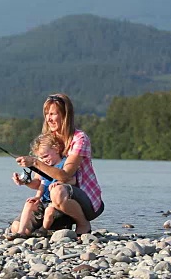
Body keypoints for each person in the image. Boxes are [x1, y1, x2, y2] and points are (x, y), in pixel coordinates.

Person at [15, 93, 104, 235]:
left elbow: (65, 175)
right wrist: (25, 181)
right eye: (46, 114)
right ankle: (53, 227)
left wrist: (35, 162)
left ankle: (83, 224)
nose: (48, 119)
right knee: (17, 228)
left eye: (53, 114)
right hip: (52, 202)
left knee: (57, 191)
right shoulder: (48, 140)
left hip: (86, 200)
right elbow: (40, 182)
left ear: (65, 115)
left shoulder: (80, 139)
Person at [9, 133, 76, 237]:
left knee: (50, 210)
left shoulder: (65, 163)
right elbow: (41, 184)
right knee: (28, 204)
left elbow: (73, 180)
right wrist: (36, 196)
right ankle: (21, 232)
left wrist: (61, 183)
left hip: (56, 205)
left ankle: (43, 230)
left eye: (46, 156)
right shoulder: (44, 166)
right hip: (43, 202)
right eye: (41, 158)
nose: (44, 160)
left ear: (56, 149)